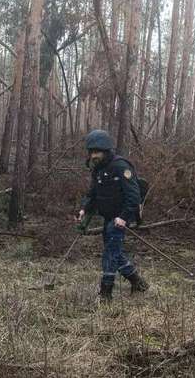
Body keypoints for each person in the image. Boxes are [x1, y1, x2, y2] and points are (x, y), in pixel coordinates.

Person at [77, 129, 149, 301]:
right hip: (109, 217)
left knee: (110, 253)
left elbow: (134, 196)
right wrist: (84, 209)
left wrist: (124, 217)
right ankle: (138, 282)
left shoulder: (121, 166)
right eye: (91, 152)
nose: (93, 156)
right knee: (114, 252)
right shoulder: (98, 169)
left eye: (97, 152)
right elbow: (93, 194)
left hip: (120, 218)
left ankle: (106, 293)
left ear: (105, 150)